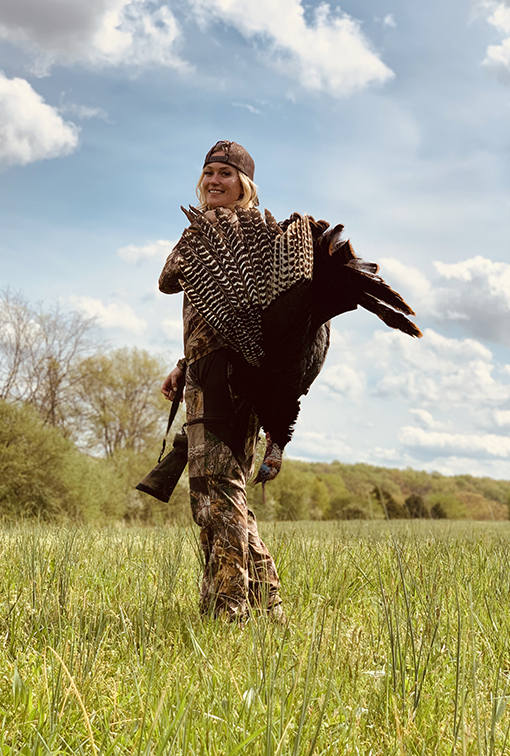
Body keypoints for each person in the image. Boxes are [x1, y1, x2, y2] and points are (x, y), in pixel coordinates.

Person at [159, 140, 282, 622]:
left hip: (222, 382)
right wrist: (183, 364)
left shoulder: (220, 228)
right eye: (208, 172)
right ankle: (263, 605)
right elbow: (222, 317)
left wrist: (201, 227)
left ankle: (232, 609)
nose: (213, 181)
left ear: (244, 185)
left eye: (225, 175)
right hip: (219, 376)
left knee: (218, 496)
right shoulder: (257, 237)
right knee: (221, 495)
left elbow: (169, 277)